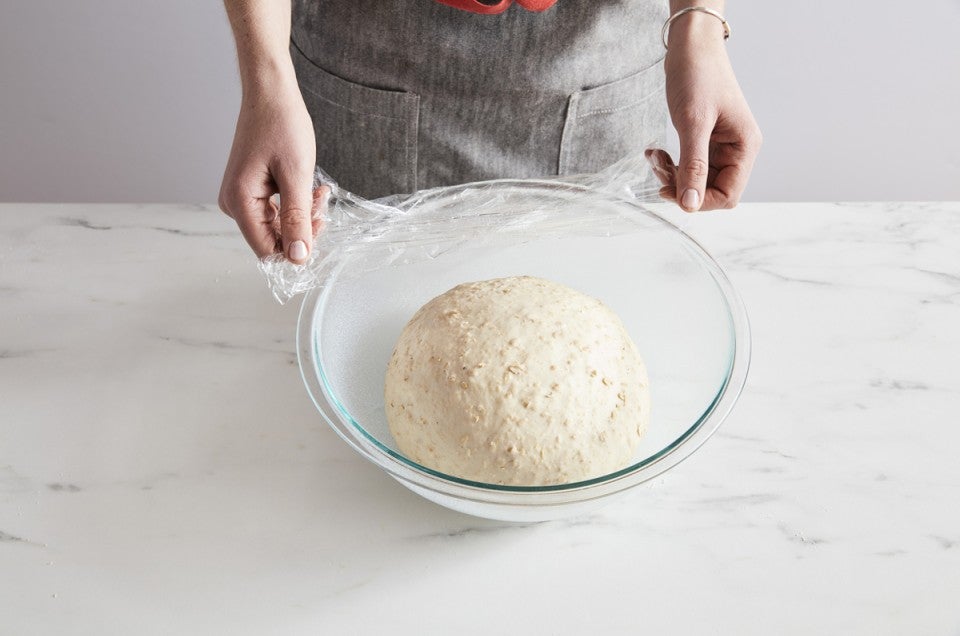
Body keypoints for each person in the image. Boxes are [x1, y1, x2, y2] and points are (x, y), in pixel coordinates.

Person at [219, 0, 761, 264]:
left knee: (602, 296)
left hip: (600, 49)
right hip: (372, 45)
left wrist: (700, 23)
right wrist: (266, 76)